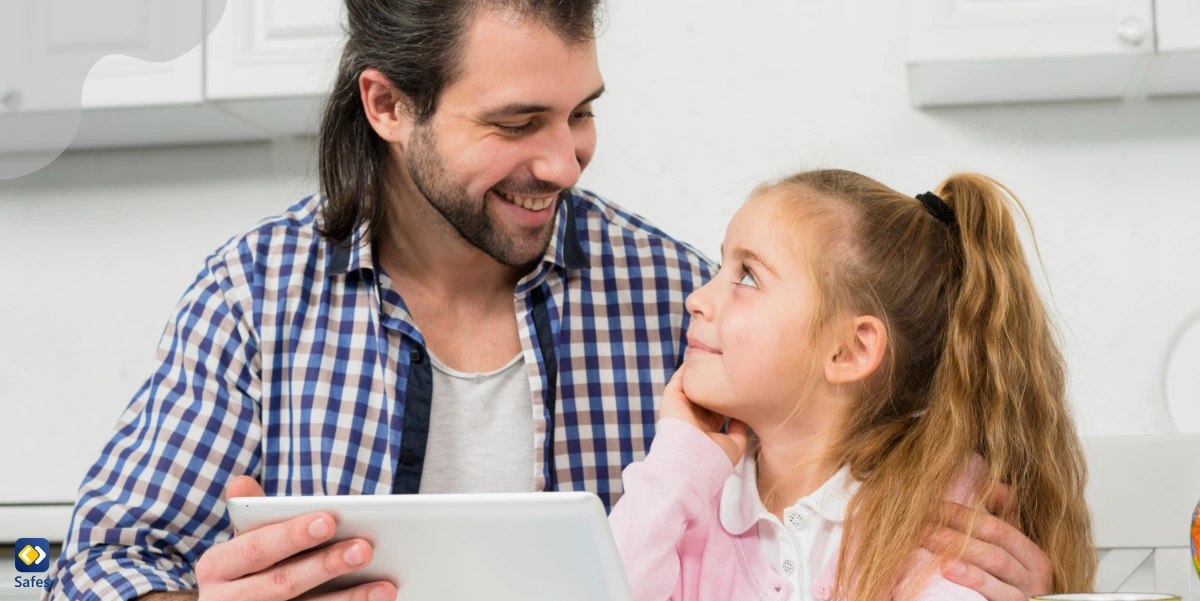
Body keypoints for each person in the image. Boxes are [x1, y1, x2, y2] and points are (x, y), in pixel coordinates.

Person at [46, 1, 1057, 599]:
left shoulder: (674, 300)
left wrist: (989, 563)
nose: (563, 161)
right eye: (518, 120)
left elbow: (856, 461)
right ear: (389, 105)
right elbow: (91, 566)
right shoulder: (259, 295)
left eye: (580, 114)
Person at [609, 170, 1097, 601]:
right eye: (721, 268)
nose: (697, 298)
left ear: (850, 351)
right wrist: (672, 471)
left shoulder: (938, 514)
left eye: (748, 278)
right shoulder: (683, 504)